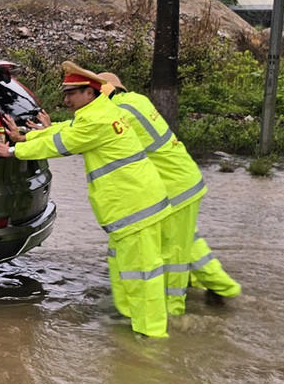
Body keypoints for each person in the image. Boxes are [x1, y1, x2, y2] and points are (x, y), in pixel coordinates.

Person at [0, 61, 172, 338]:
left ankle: (151, 337)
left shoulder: (96, 120)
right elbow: (68, 130)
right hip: (135, 206)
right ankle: (136, 325)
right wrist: (26, 135)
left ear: (90, 92)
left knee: (143, 273)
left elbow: (61, 144)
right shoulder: (101, 112)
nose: (66, 100)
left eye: (72, 93)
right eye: (65, 93)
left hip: (135, 208)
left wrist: (11, 150)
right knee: (131, 270)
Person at [95, 71, 241, 311]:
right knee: (187, 242)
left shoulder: (119, 112)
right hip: (182, 181)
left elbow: (88, 132)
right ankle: (223, 287)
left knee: (175, 252)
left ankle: (174, 310)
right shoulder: (136, 101)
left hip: (174, 188)